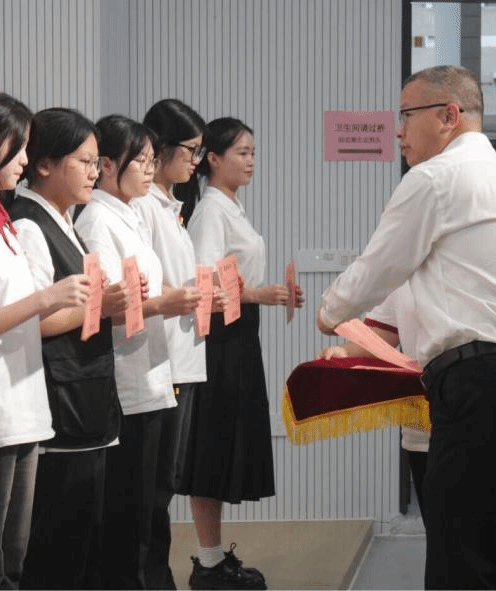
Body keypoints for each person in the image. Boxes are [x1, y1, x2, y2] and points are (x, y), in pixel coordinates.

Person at [316, 65, 496, 589]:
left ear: (449, 115)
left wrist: (329, 312)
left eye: (407, 116)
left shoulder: (433, 179)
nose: (398, 131)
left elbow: (378, 266)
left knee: (460, 559)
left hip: (475, 385)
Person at [0, 89, 92, 589]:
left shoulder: (0, 216)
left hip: (23, 407)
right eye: (18, 147)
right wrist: (46, 299)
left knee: (12, 559)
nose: (25, 160)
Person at [75, 114, 200, 589]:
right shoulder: (97, 220)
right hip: (126, 381)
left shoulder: (129, 213)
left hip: (152, 373)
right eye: (141, 161)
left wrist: (174, 296)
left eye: (152, 161)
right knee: (129, 512)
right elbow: (111, 302)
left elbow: (145, 285)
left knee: (151, 504)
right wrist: (167, 302)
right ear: (108, 165)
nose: (150, 170)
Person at [4, 107, 127, 590]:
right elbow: (34, 319)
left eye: (97, 163)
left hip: (87, 397)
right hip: (62, 407)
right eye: (84, 161)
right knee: (56, 555)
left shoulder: (64, 221)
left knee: (83, 551)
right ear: (44, 164)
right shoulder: (30, 224)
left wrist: (110, 302)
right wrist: (102, 303)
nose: (94, 172)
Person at [184, 117, 303, 590]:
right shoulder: (211, 211)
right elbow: (204, 282)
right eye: (241, 153)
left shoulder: (232, 206)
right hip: (218, 338)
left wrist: (266, 295)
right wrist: (257, 294)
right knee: (211, 447)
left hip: (239, 333)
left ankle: (214, 559)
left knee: (225, 444)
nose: (251, 161)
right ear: (213, 159)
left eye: (253, 152)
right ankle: (208, 562)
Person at [136, 98, 213, 589]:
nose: (195, 161)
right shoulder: (144, 205)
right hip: (160, 361)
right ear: (160, 148)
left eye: (200, 151)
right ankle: (152, 577)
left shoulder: (170, 205)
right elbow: (142, 282)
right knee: (152, 489)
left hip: (184, 357)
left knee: (165, 483)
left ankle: (157, 574)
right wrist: (182, 295)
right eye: (191, 150)